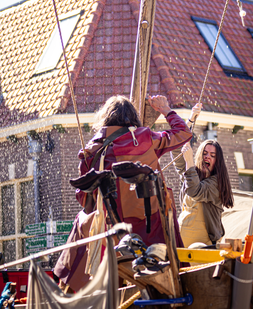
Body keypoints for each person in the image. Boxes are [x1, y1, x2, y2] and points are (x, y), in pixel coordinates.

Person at [54, 94, 199, 292]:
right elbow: (183, 133)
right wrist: (165, 109)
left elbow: (83, 198)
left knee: (82, 221)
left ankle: (73, 289)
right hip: (153, 230)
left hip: (110, 234)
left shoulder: (92, 150)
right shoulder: (147, 138)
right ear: (132, 117)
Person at [172, 133, 234, 247]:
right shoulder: (192, 174)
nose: (207, 157)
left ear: (217, 161)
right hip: (180, 245)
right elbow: (176, 150)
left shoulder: (216, 184)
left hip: (201, 249)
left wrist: (189, 162)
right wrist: (189, 121)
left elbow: (194, 190)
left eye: (212, 155)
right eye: (204, 153)